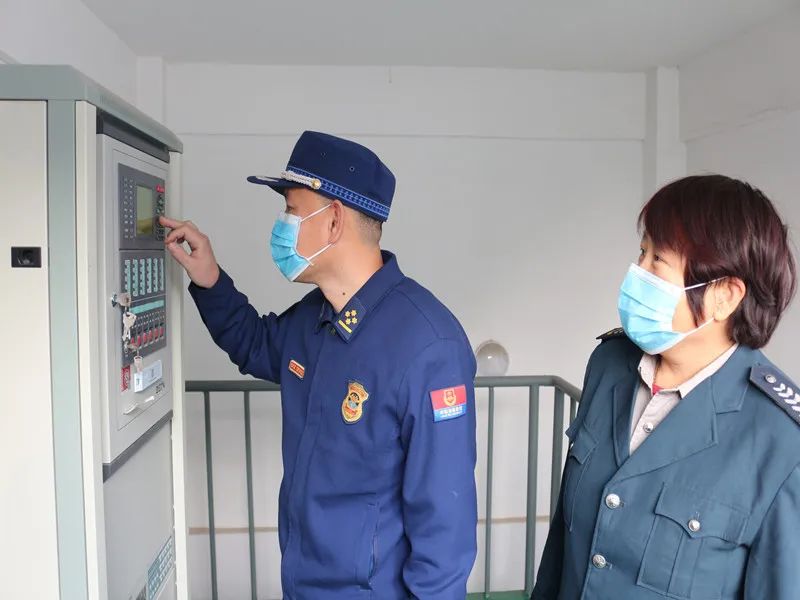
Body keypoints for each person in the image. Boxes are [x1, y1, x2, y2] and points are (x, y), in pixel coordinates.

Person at [161, 131, 477, 599]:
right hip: (303, 581)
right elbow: (255, 344)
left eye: (291, 210)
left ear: (333, 220)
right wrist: (209, 278)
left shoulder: (429, 345)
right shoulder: (316, 316)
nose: (282, 225)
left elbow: (444, 531)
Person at [533, 175, 800, 599]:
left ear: (724, 295)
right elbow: (562, 553)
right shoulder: (609, 365)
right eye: (642, 252)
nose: (636, 273)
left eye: (658, 260)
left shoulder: (779, 437)